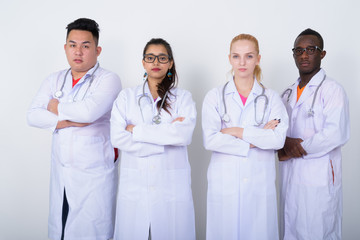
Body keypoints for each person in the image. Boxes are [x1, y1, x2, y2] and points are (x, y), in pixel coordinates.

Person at [27, 18, 122, 240]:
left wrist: (55, 108)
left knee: (92, 231)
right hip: (62, 174)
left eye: (85, 46)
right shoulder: (55, 79)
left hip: (94, 176)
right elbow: (32, 115)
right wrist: (69, 119)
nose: (78, 51)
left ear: (97, 50)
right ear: (65, 48)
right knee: (61, 229)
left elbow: (89, 113)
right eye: (72, 45)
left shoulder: (109, 80)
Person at [202, 33, 289, 240]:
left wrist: (236, 131)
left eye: (249, 56)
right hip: (225, 183)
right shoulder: (214, 96)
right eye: (236, 56)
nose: (242, 62)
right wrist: (258, 138)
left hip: (259, 183)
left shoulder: (271, 98)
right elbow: (211, 140)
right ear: (229, 58)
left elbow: (277, 140)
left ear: (258, 59)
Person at [110, 38, 196, 240]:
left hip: (171, 187)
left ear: (170, 63)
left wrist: (136, 131)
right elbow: (118, 137)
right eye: (150, 57)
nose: (155, 62)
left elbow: (183, 135)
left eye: (162, 58)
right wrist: (166, 139)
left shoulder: (183, 98)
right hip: (135, 186)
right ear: (143, 63)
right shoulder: (126, 97)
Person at [278, 28, 350, 240]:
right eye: (298, 51)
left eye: (311, 49)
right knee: (290, 227)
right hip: (290, 178)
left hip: (318, 177)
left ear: (322, 54)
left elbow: (336, 133)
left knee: (318, 230)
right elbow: (276, 131)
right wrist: (284, 143)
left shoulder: (333, 90)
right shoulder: (287, 93)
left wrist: (293, 148)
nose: (304, 55)